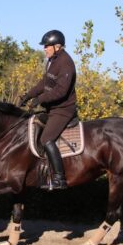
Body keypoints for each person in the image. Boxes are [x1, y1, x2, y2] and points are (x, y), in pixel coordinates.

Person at [19, 30, 77, 189]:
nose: (44, 48)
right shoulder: (51, 61)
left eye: (47, 46)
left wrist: (40, 99)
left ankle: (60, 179)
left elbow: (61, 91)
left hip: (63, 110)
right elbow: (43, 84)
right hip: (52, 109)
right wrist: (27, 96)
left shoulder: (66, 63)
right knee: (31, 124)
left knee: (46, 139)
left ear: (57, 46)